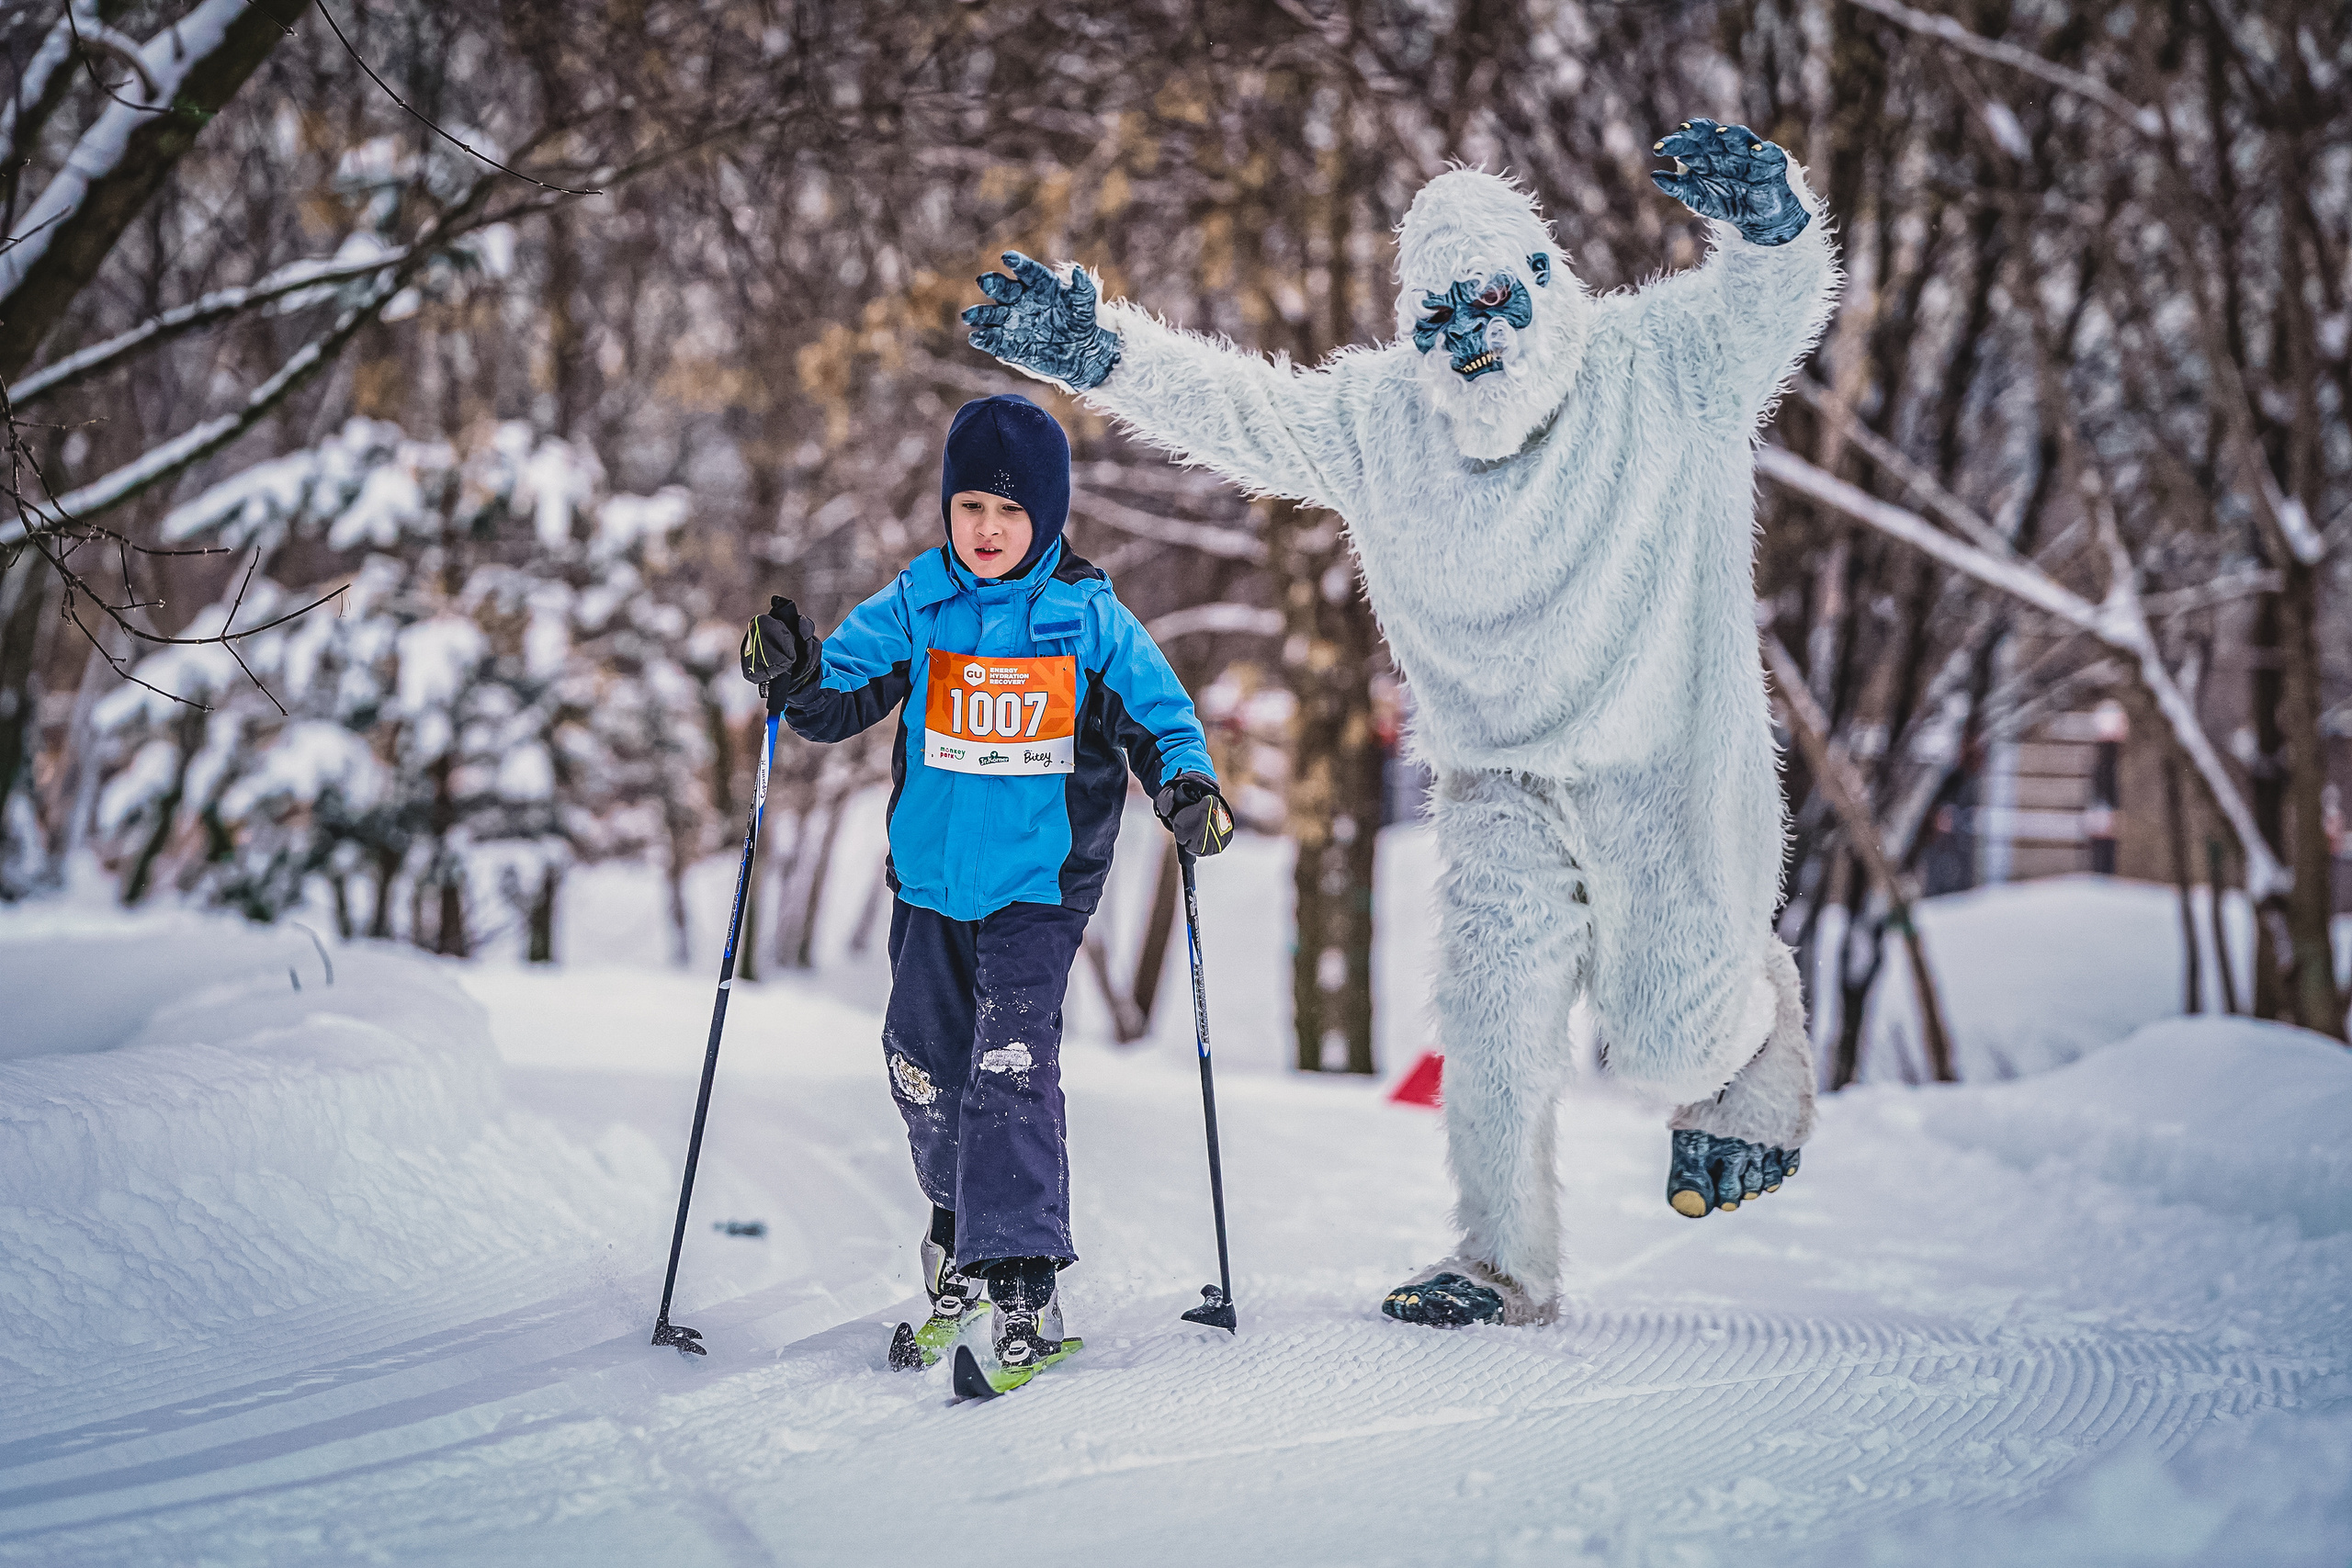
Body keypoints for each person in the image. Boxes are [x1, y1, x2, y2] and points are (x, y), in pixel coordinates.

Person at [961, 122, 1836, 1328]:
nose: (1470, 336)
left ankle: (1757, 1022)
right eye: (1439, 319)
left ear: (1544, 282)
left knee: (1677, 1046)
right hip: (1496, 784)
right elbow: (1238, 410)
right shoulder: (1382, 423)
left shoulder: (1663, 365)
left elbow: (1772, 304)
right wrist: (1100, 350)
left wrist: (1769, 219)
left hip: (1663, 764)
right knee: (1489, 1026)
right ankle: (1502, 1262)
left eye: (1489, 302)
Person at [740, 392, 1234, 1374]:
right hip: (928, 883)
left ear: (1045, 516)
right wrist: (794, 676)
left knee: (1007, 1069)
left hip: (1037, 886)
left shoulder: (1085, 617)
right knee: (921, 1065)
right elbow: (837, 698)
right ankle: (957, 1235)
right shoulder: (920, 602)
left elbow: (1162, 718)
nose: (989, 529)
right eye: (971, 508)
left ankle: (1021, 1283)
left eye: (1010, 513)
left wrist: (1187, 786)